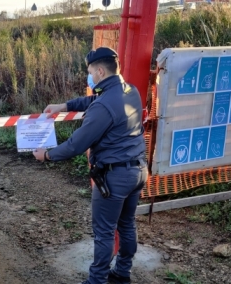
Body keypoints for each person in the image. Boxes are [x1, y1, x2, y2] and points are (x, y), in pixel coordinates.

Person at [33, 47, 148, 284]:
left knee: (105, 232)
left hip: (114, 176)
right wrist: (64, 106)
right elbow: (94, 99)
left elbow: (77, 144)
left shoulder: (104, 106)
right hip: (138, 170)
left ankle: (96, 280)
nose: (90, 77)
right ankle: (123, 273)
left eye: (90, 73)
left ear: (100, 70)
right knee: (126, 224)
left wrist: (47, 155)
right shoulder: (130, 91)